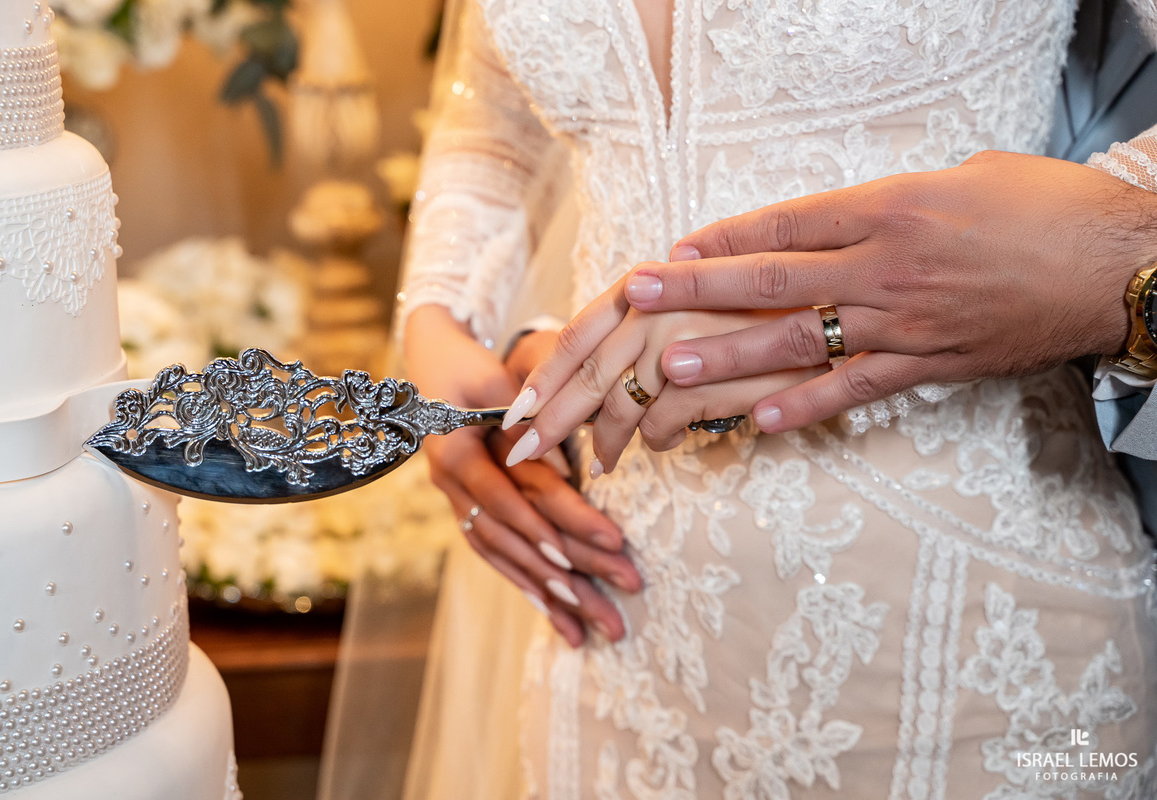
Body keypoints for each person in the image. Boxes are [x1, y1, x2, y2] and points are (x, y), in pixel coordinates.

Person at [398, 0, 1157, 796]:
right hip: (615, 636)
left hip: (971, 647)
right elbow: (489, 129)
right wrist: (440, 324)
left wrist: (1100, 237)